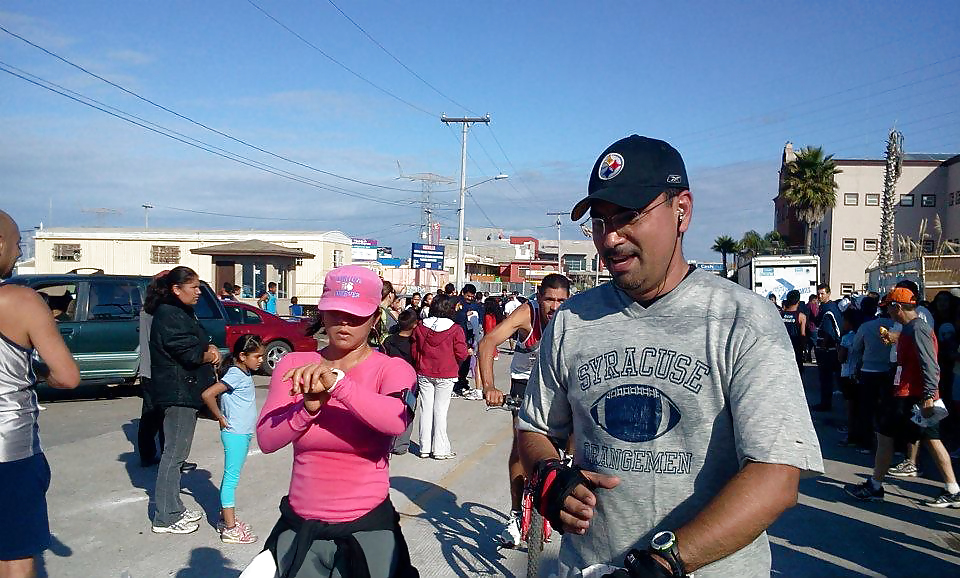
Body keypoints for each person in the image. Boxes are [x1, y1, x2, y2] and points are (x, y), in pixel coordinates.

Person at [517, 135, 823, 577]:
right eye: (600, 222)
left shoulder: (743, 320)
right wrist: (547, 474)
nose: (611, 238)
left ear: (682, 210)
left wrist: (667, 562)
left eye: (628, 216)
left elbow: (776, 475)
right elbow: (535, 427)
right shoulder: (571, 321)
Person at [255, 265, 419, 577]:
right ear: (322, 312)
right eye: (335, 313)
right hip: (301, 526)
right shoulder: (295, 365)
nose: (344, 322)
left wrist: (338, 385)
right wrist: (306, 409)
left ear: (374, 318)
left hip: (366, 528)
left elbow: (397, 420)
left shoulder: (392, 369)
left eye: (356, 315)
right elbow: (266, 439)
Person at [0, 210, 80, 578]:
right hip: (10, 449)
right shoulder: (20, 300)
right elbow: (67, 377)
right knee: (15, 554)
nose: (19, 253)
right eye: (18, 244)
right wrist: (36, 371)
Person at [478, 273, 571, 547]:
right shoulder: (525, 313)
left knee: (576, 429)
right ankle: (516, 513)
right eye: (549, 300)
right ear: (539, 297)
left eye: (561, 301)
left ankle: (565, 466)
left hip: (556, 386)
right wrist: (489, 387)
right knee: (520, 447)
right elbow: (487, 343)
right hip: (525, 385)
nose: (555, 307)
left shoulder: (572, 316)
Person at [844, 288, 960, 507]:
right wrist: (895, 338)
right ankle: (951, 489)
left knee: (889, 436)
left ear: (897, 307)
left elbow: (930, 364)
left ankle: (876, 485)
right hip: (908, 393)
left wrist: (928, 395)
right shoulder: (912, 328)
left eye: (888, 307)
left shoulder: (918, 328)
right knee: (922, 439)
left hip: (911, 395)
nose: (887, 312)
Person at [146, 266, 222, 535]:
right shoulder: (169, 314)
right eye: (194, 287)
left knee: (178, 453)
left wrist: (209, 347)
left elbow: (195, 342)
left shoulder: (181, 311)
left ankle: (173, 506)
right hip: (178, 392)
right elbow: (188, 353)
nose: (199, 292)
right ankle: (166, 516)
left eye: (199, 287)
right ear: (176, 289)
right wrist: (210, 355)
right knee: (174, 455)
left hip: (185, 390)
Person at [201, 334, 264, 544]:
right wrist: (219, 417)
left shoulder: (241, 373)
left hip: (241, 433)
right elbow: (208, 394)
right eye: (257, 356)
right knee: (230, 480)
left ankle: (225, 519)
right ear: (242, 356)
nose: (261, 360)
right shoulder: (236, 374)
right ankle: (230, 528)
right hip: (235, 434)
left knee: (232, 478)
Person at [410, 294, 470, 460]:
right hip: (446, 373)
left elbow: (415, 350)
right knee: (440, 411)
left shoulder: (421, 326)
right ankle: (440, 449)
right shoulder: (455, 329)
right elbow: (462, 353)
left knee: (426, 409)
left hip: (424, 371)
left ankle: (424, 447)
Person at [848, 296, 893, 451]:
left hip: (868, 370)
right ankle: (889, 444)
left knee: (866, 409)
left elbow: (855, 347)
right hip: (889, 371)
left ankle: (867, 443)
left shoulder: (866, 326)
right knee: (886, 409)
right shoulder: (896, 326)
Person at [382, 310, 419, 455]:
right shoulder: (415, 343)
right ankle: (401, 445)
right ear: (414, 325)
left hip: (391, 381)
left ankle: (387, 442)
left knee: (389, 411)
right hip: (411, 382)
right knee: (408, 412)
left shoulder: (389, 340)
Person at [811, 284, 842, 412]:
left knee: (826, 378)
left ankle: (825, 404)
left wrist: (822, 347)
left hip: (828, 350)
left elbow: (829, 331)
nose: (820, 296)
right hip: (830, 348)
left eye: (823, 293)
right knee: (828, 378)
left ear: (829, 294)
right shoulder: (825, 307)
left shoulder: (828, 309)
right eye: (819, 293)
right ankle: (826, 402)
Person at [453, 284, 483, 399]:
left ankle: (462, 383)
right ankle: (455, 385)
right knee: (458, 362)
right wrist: (465, 315)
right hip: (459, 335)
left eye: (472, 296)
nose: (470, 298)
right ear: (463, 293)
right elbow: (455, 318)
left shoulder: (476, 305)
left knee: (466, 362)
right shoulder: (457, 303)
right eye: (468, 296)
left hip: (471, 337)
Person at [780, 289, 807, 371]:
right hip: (796, 348)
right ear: (798, 301)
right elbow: (803, 335)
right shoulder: (801, 316)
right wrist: (804, 349)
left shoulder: (780, 314)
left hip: (782, 347)